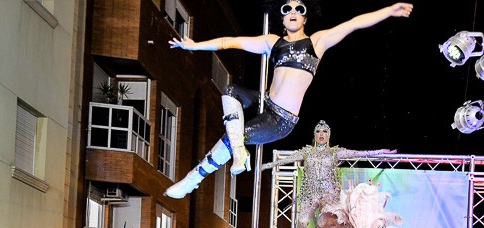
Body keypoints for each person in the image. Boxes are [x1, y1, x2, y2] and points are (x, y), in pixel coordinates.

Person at [164, 1, 414, 198]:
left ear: (305, 17)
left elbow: (354, 23)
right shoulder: (272, 42)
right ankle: (239, 152)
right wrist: (194, 46)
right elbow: (230, 42)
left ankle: (193, 180)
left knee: (233, 136)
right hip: (265, 102)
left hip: (281, 121)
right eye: (287, 9)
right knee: (230, 91)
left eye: (299, 8)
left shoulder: (317, 41)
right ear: (282, 18)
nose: (293, 12)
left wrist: (389, 10)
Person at [261, 120, 395, 228]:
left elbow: (359, 153)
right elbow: (285, 160)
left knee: (336, 222)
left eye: (324, 132)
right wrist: (266, 165)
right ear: (314, 134)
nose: (321, 134)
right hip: (310, 193)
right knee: (302, 223)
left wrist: (380, 152)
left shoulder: (334, 152)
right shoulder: (306, 152)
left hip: (329, 193)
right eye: (318, 131)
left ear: (328, 135)